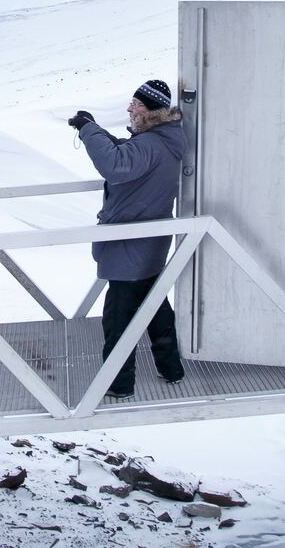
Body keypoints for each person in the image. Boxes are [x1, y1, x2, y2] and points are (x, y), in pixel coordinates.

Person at [69, 79, 187, 398]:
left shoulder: (149, 144)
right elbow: (127, 152)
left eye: (135, 104)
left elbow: (116, 165)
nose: (130, 109)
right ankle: (171, 368)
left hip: (129, 242)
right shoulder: (164, 139)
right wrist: (97, 129)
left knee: (118, 318)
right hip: (148, 240)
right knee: (154, 306)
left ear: (149, 110)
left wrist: (88, 131)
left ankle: (119, 384)